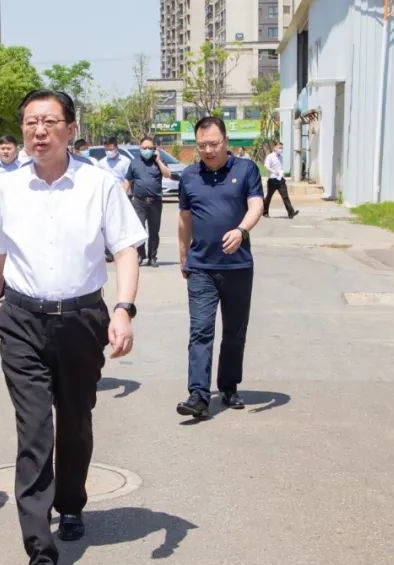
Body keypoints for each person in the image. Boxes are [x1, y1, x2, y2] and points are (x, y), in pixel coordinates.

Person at [0, 89, 145, 565]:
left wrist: (123, 309)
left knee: (75, 421)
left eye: (50, 121)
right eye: (31, 122)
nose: (39, 131)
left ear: (71, 129)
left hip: (82, 320)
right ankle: (40, 553)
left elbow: (126, 249)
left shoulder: (100, 184)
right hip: (21, 320)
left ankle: (71, 502)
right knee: (34, 432)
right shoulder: (5, 188)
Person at [176, 116, 264, 418]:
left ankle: (228, 386)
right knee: (200, 330)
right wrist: (183, 256)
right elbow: (184, 219)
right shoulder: (189, 176)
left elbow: (256, 205)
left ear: (226, 141)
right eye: (202, 145)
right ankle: (198, 395)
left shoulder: (246, 169)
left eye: (213, 144)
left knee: (234, 331)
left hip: (238, 267)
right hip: (201, 267)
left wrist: (241, 231)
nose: (208, 150)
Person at [123, 136, 171, 267]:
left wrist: (159, 161)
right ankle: (140, 255)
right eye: (144, 148)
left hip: (155, 202)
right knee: (139, 230)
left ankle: (152, 257)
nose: (147, 150)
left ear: (154, 149)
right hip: (139, 202)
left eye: (150, 148)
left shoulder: (158, 162)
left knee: (154, 231)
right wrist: (121, 198)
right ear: (140, 148)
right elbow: (127, 181)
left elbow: (168, 174)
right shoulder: (134, 163)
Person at [263, 142, 298, 218]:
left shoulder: (281, 157)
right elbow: (266, 166)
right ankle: (265, 212)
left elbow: (280, 167)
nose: (281, 149)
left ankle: (291, 213)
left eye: (282, 148)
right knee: (269, 197)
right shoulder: (270, 156)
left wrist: (281, 173)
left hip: (280, 179)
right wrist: (274, 171)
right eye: (279, 148)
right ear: (274, 148)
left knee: (285, 196)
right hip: (272, 180)